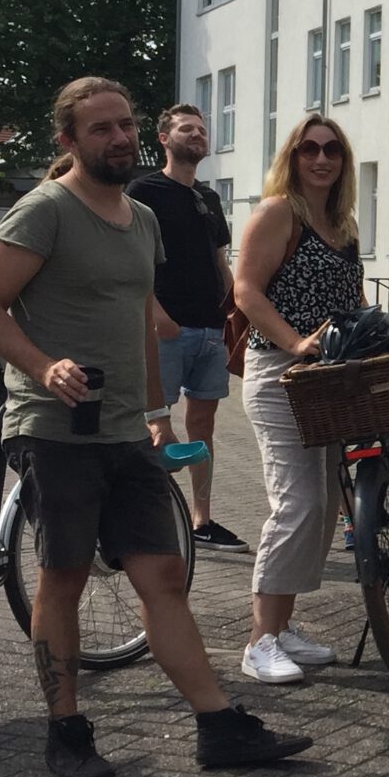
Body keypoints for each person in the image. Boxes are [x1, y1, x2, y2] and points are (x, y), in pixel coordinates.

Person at [0, 76, 311, 777]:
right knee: (62, 579)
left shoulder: (142, 218)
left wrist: (158, 417)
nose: (119, 138)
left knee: (163, 578)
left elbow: (142, 323)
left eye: (124, 125)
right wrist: (44, 365)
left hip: (125, 430)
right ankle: (66, 729)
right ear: (69, 141)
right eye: (101, 129)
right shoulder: (44, 213)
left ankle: (217, 725)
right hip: (55, 428)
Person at [232, 113, 365, 684]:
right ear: (292, 156)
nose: (321, 158)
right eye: (309, 148)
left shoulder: (342, 224)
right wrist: (294, 342)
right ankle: (259, 640)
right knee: (297, 505)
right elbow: (244, 289)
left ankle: (283, 629)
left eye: (331, 149)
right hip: (280, 373)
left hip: (327, 380)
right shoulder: (277, 211)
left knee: (324, 509)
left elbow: (351, 296)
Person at [127, 103, 247, 552]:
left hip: (211, 331)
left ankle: (202, 520)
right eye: (185, 129)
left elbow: (220, 260)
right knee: (152, 426)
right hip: (166, 331)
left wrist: (236, 309)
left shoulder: (208, 197)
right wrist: (155, 313)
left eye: (201, 129)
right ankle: (148, 520)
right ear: (164, 138)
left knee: (203, 426)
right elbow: (133, 260)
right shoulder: (143, 191)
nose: (196, 135)